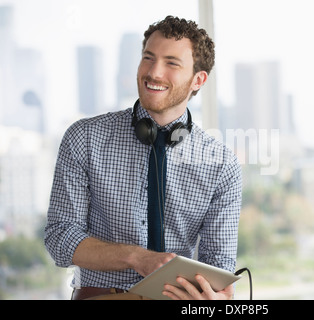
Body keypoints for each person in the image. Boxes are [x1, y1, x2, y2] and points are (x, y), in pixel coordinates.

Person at [44, 16, 242, 300]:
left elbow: (219, 267)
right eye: (148, 58)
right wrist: (136, 257)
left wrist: (217, 299)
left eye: (171, 63)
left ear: (198, 79)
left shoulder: (222, 164)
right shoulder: (84, 138)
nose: (154, 72)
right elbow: (59, 239)